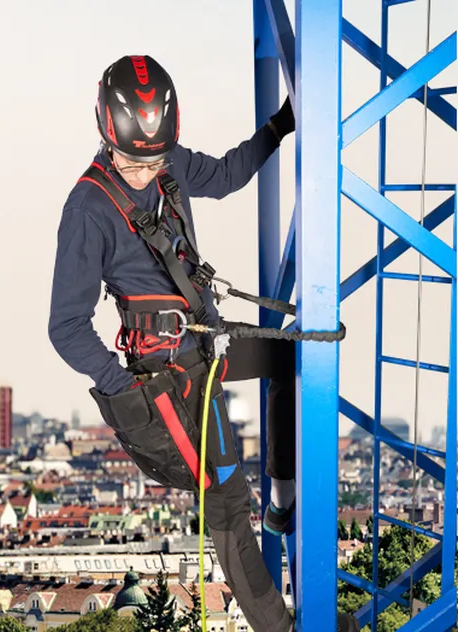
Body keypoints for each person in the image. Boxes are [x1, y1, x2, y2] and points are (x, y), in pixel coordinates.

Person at [48, 55, 348, 632]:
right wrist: (122, 386)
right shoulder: (88, 210)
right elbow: (65, 326)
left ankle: (282, 500)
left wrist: (279, 126)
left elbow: (227, 175)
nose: (144, 173)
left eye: (155, 160)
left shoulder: (169, 166)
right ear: (107, 138)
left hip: (205, 344)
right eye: (134, 162)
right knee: (229, 506)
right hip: (169, 379)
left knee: (293, 355)